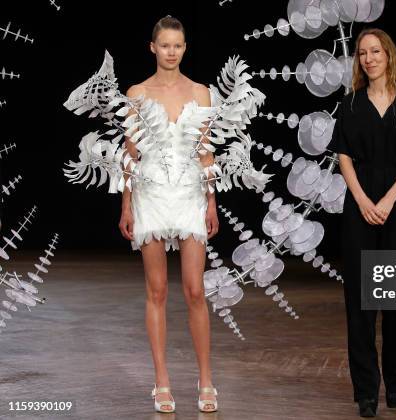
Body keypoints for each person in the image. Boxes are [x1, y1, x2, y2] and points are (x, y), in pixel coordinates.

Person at [117, 16, 219, 414]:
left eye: (178, 45)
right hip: (151, 192)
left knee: (195, 289)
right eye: (165, 45)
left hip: (191, 192)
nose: (171, 51)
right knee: (156, 290)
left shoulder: (201, 92)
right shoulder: (137, 92)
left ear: (184, 48)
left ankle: (206, 379)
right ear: (153, 48)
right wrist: (125, 203)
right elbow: (130, 153)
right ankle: (161, 382)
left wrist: (211, 202)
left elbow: (206, 151)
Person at [330, 27, 396, 417]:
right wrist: (362, 200)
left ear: (388, 55)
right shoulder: (351, 105)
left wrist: (388, 200)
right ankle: (366, 391)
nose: (369, 58)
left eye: (375, 51)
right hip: (359, 210)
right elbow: (344, 157)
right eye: (361, 53)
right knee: (359, 306)